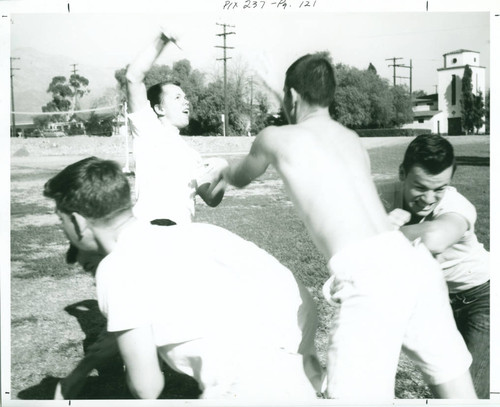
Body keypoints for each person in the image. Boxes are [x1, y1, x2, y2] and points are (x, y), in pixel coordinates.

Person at [216, 53, 476, 400]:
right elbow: (306, 126)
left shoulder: (273, 138)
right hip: (413, 263)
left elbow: (241, 175)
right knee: (458, 393)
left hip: (371, 278)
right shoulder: (351, 141)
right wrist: (281, 92)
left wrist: (218, 172)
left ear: (292, 97)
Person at [45, 156, 323, 400]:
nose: (63, 228)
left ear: (79, 222)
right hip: (296, 354)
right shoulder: (198, 233)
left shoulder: (116, 268)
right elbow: (284, 286)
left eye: (61, 220)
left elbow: (147, 388)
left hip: (246, 386)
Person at [377, 134, 490, 398]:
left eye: (439, 188)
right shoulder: (382, 194)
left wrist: (381, 231)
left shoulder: (456, 205)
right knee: (445, 390)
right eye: (420, 186)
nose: (429, 198)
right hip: (436, 302)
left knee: (467, 394)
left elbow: (435, 238)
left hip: (482, 299)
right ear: (402, 173)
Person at [126, 28, 226, 225]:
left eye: (186, 97)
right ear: (159, 108)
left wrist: (222, 174)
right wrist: (163, 38)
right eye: (178, 97)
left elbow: (211, 199)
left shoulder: (192, 155)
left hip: (181, 238)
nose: (186, 102)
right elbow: (133, 77)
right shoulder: (148, 130)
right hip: (149, 232)